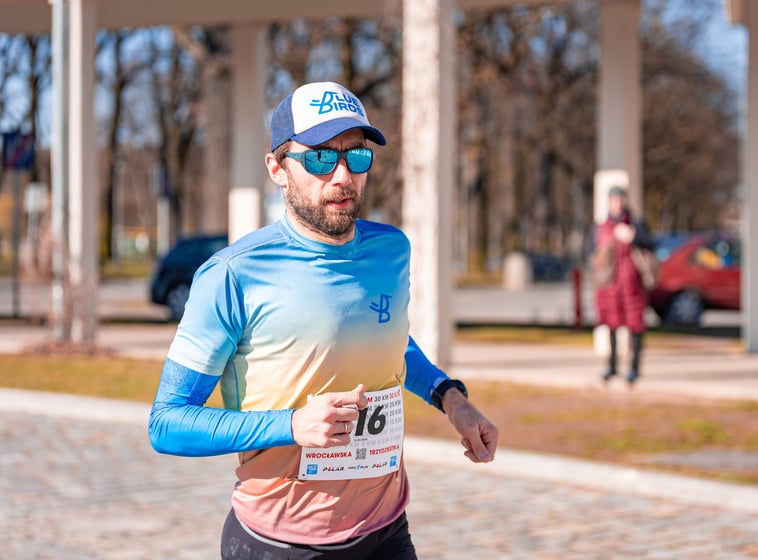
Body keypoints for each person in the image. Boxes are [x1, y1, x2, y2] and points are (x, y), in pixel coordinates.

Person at [148, 81, 499, 560]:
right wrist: (292, 425)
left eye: (356, 157)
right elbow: (167, 424)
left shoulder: (391, 250)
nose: (341, 176)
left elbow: (390, 336)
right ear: (277, 168)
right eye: (318, 158)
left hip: (387, 532)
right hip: (280, 544)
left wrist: (451, 399)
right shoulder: (233, 274)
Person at [592, 186, 656, 386]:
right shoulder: (602, 226)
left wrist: (633, 236)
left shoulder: (636, 223)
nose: (617, 203)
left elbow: (651, 244)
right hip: (610, 283)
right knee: (611, 322)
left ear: (624, 202)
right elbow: (591, 251)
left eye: (619, 199)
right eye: (613, 200)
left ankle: (634, 368)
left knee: (635, 323)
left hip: (632, 282)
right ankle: (612, 367)